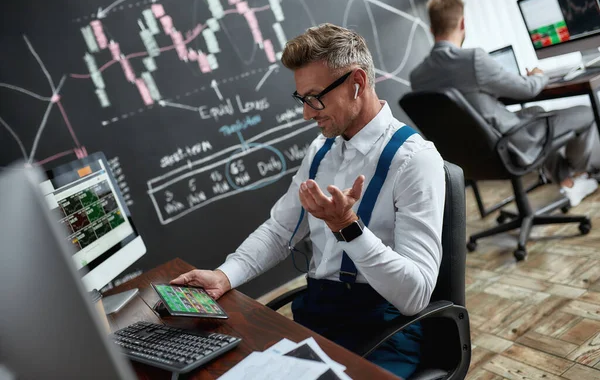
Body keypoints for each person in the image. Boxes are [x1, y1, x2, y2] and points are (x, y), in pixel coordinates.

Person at [171, 23, 445, 378]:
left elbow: (416, 295)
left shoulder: (414, 160)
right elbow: (279, 230)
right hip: (318, 318)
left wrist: (348, 228)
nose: (306, 113)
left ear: (356, 83)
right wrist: (225, 276)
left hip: (384, 333)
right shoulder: (320, 151)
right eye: (302, 99)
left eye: (315, 98)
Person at [410, 0, 599, 207]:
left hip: (470, 155)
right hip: (508, 143)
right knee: (588, 111)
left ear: (431, 29)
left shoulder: (417, 76)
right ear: (462, 23)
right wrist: (538, 75)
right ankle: (584, 172)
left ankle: (568, 182)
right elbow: (527, 89)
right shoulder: (472, 59)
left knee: (536, 111)